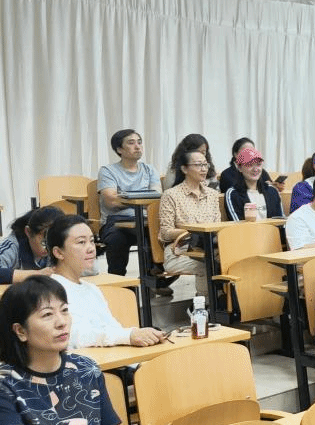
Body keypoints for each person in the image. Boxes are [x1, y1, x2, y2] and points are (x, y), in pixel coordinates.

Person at [0, 276, 143, 425]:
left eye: (65, 310)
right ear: (20, 331)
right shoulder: (4, 383)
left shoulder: (85, 368)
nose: (62, 322)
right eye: (47, 315)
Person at [47, 214, 164, 349]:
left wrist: (139, 334)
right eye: (81, 242)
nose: (91, 248)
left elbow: (113, 328)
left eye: (92, 241)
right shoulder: (51, 293)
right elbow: (75, 337)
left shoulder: (92, 289)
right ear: (58, 252)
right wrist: (128, 336)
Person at [96, 128, 161, 275]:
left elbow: (156, 198)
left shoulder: (149, 169)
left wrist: (126, 197)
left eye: (139, 142)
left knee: (159, 232)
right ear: (119, 149)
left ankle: (154, 277)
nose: (137, 147)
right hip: (116, 222)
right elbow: (111, 200)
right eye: (131, 143)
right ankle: (118, 280)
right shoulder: (108, 171)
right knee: (117, 238)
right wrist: (143, 200)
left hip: (146, 220)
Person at [158, 148, 222, 296]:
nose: (203, 169)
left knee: (230, 261)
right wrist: (193, 233)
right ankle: (205, 304)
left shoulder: (212, 195)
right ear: (184, 169)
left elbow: (217, 226)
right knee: (209, 266)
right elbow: (166, 232)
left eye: (205, 164)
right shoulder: (171, 195)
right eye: (198, 165)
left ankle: (222, 302)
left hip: (208, 249)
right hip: (179, 251)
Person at [0, 206, 63, 285]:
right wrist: (38, 274)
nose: (48, 248)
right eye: (44, 242)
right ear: (28, 232)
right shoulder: (13, 246)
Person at [223, 147, 285, 221]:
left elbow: (280, 220)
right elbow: (237, 224)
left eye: (258, 164)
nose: (255, 169)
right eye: (250, 165)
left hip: (272, 229)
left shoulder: (272, 191)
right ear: (239, 167)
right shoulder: (233, 194)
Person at [218, 137, 283, 192]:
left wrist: (274, 187)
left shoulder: (260, 171)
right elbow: (235, 194)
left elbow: (269, 188)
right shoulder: (227, 174)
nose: (250, 154)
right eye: (246, 151)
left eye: (252, 151)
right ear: (235, 154)